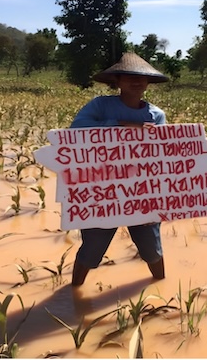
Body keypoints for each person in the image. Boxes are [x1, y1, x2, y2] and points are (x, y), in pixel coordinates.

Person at [70, 52, 168, 286]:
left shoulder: (156, 115)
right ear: (117, 81)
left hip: (143, 190)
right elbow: (76, 130)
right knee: (91, 250)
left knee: (152, 249)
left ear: (148, 82)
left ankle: (161, 285)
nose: (137, 82)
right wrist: (121, 124)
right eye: (129, 77)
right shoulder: (101, 105)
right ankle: (73, 291)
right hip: (102, 189)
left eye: (141, 77)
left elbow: (165, 156)